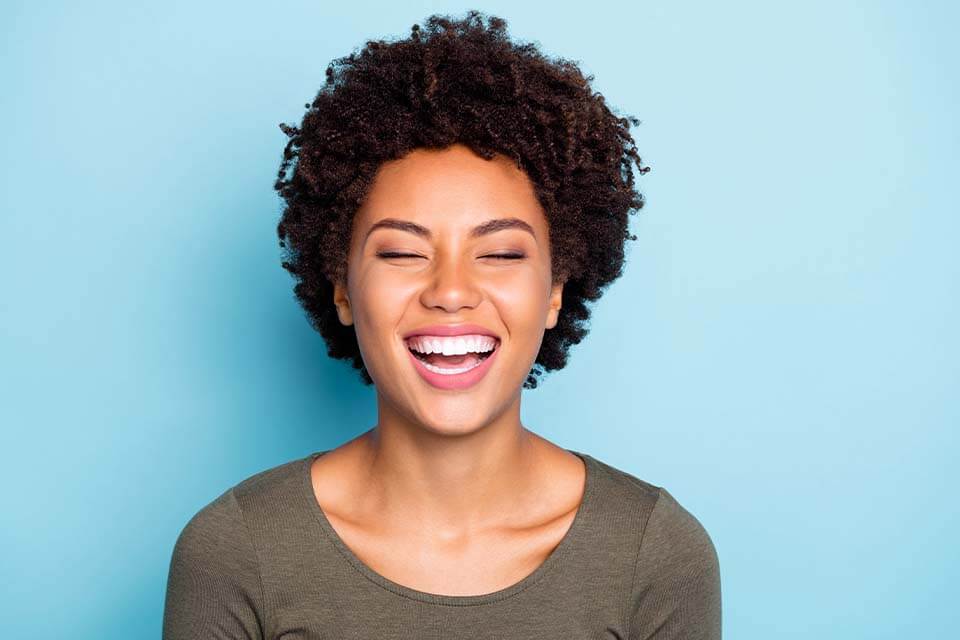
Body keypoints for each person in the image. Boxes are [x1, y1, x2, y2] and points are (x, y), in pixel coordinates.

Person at [162, 10, 720, 639]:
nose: (451, 292)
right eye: (402, 253)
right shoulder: (238, 551)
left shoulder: (654, 553)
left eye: (502, 254)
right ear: (342, 289)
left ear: (555, 292)